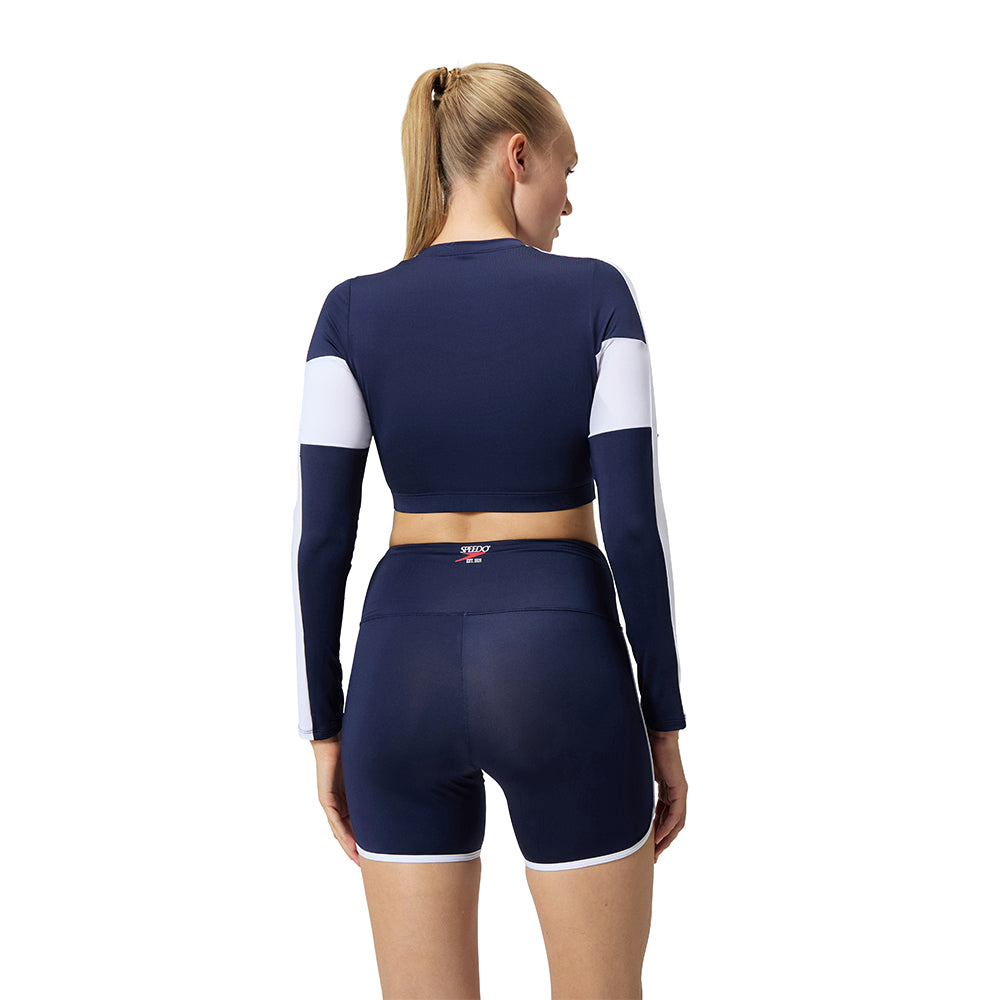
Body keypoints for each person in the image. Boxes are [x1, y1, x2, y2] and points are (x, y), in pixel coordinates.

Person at [291, 62, 689, 1000]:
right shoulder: (598, 297)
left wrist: (326, 728)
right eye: (566, 171)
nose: (568, 202)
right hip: (560, 658)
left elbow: (319, 546)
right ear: (518, 157)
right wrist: (663, 721)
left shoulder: (348, 312)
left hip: (399, 669)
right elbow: (634, 532)